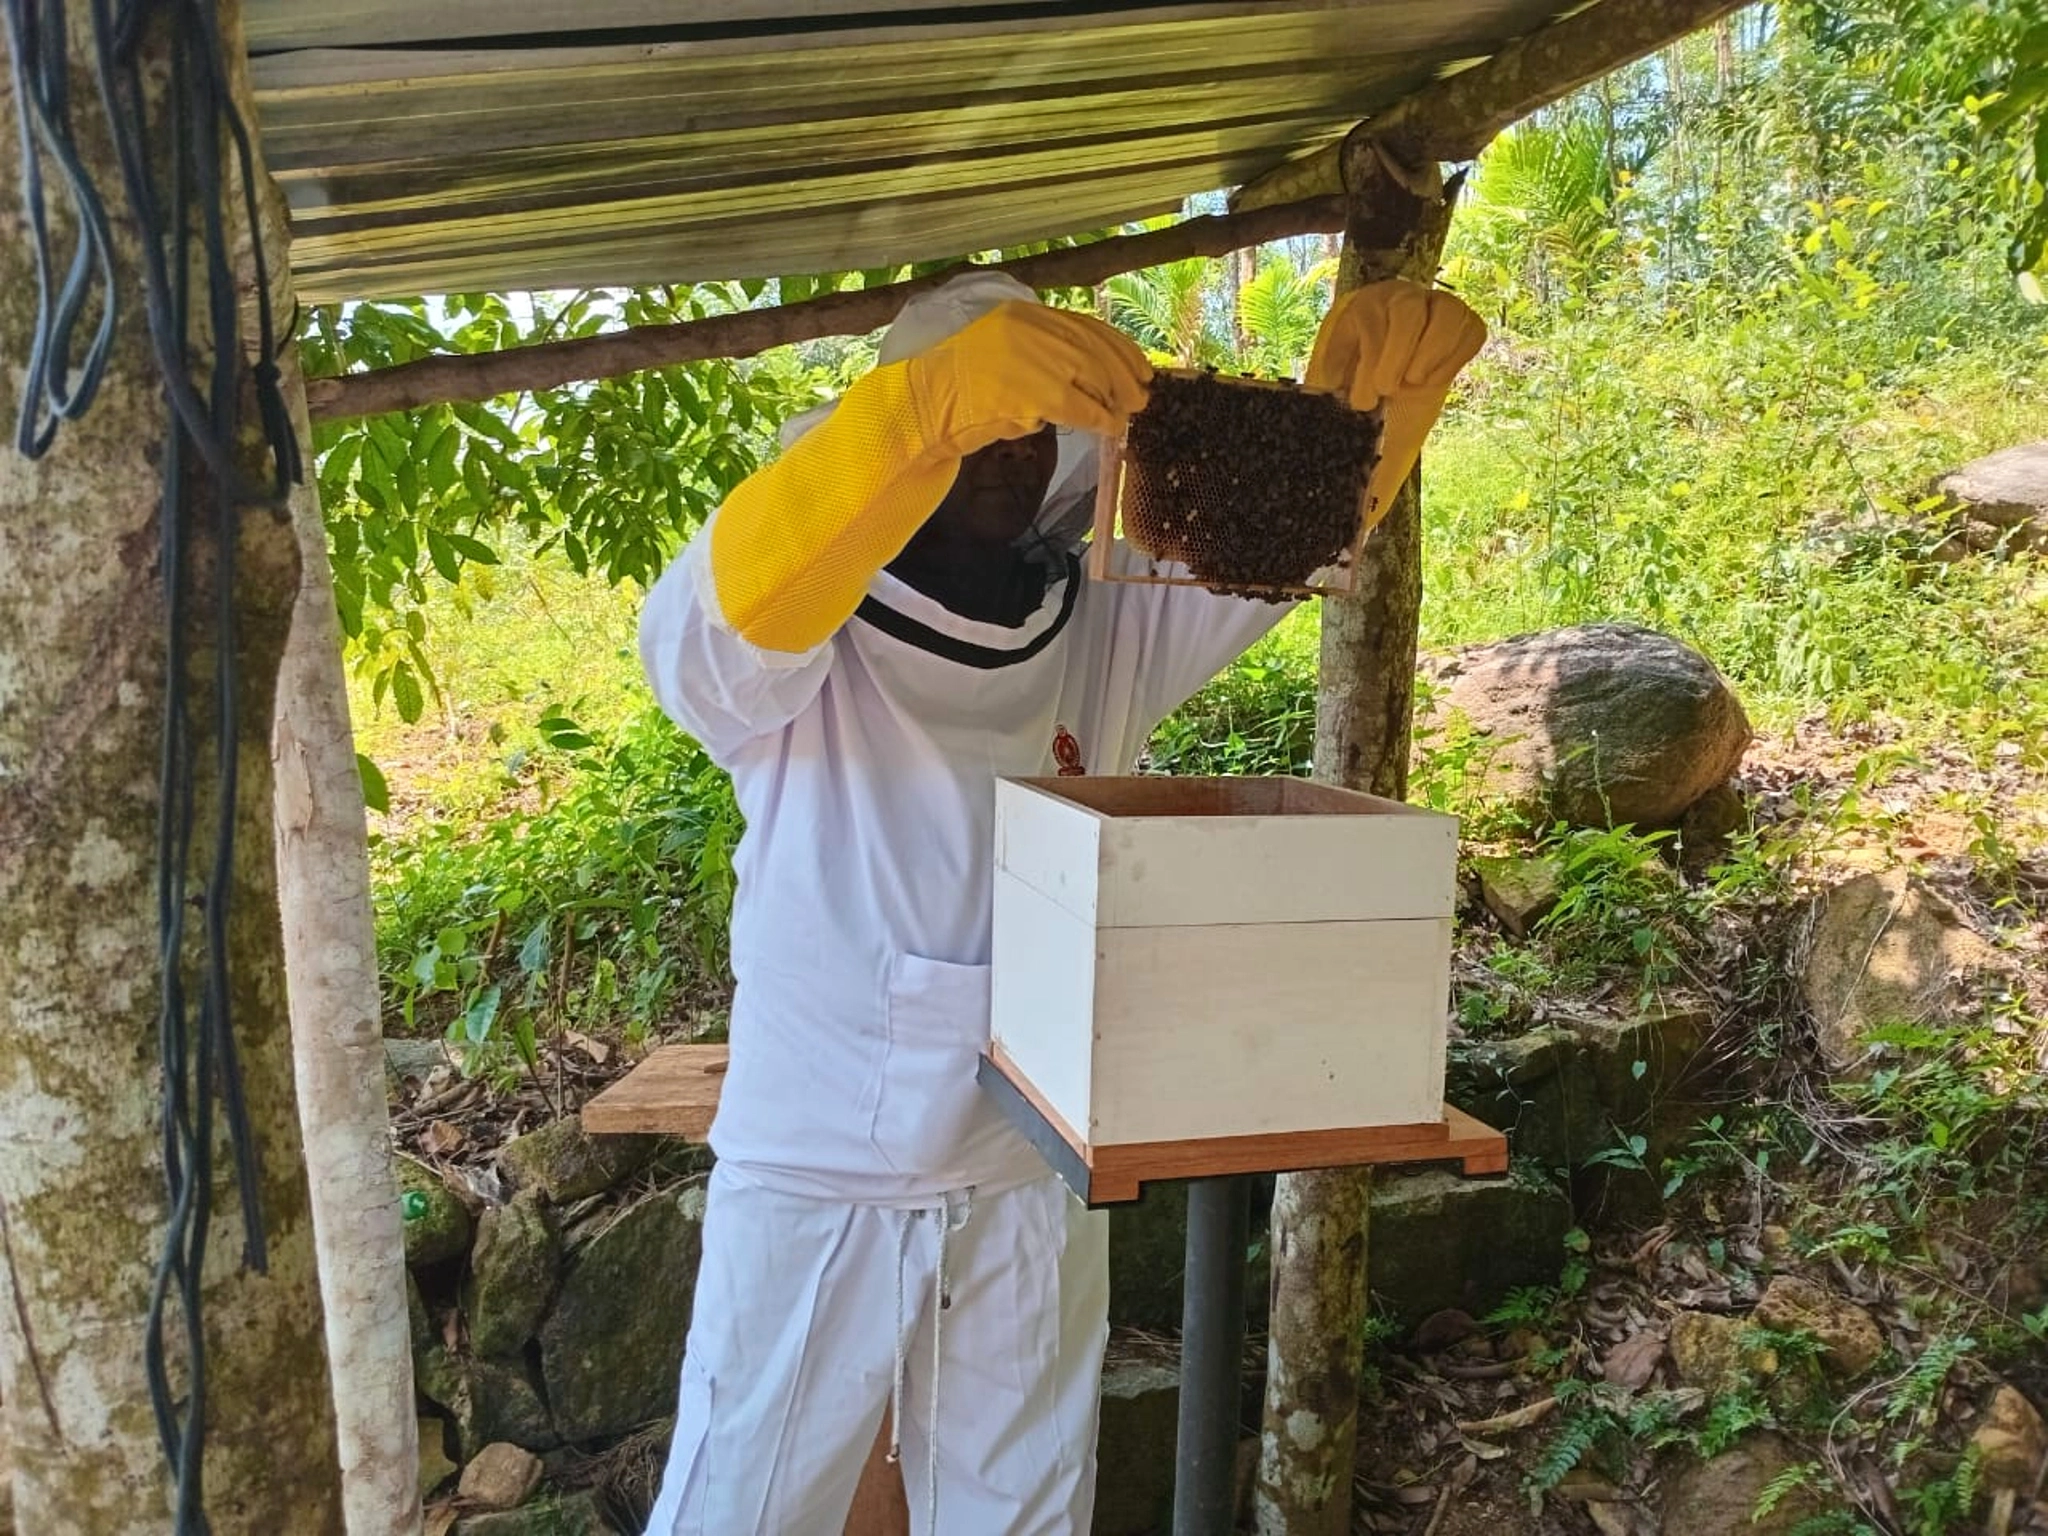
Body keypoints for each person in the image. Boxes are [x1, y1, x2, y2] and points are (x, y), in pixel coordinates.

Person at [635, 268, 1484, 1535]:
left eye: (1032, 429)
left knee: (1023, 1506)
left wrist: (1361, 417)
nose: (1010, 451)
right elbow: (704, 634)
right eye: (980, 422)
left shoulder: (1096, 622)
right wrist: (919, 413)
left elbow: (1266, 553)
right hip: (825, 1164)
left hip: (1036, 1154)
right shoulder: (805, 635)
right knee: (743, 1507)